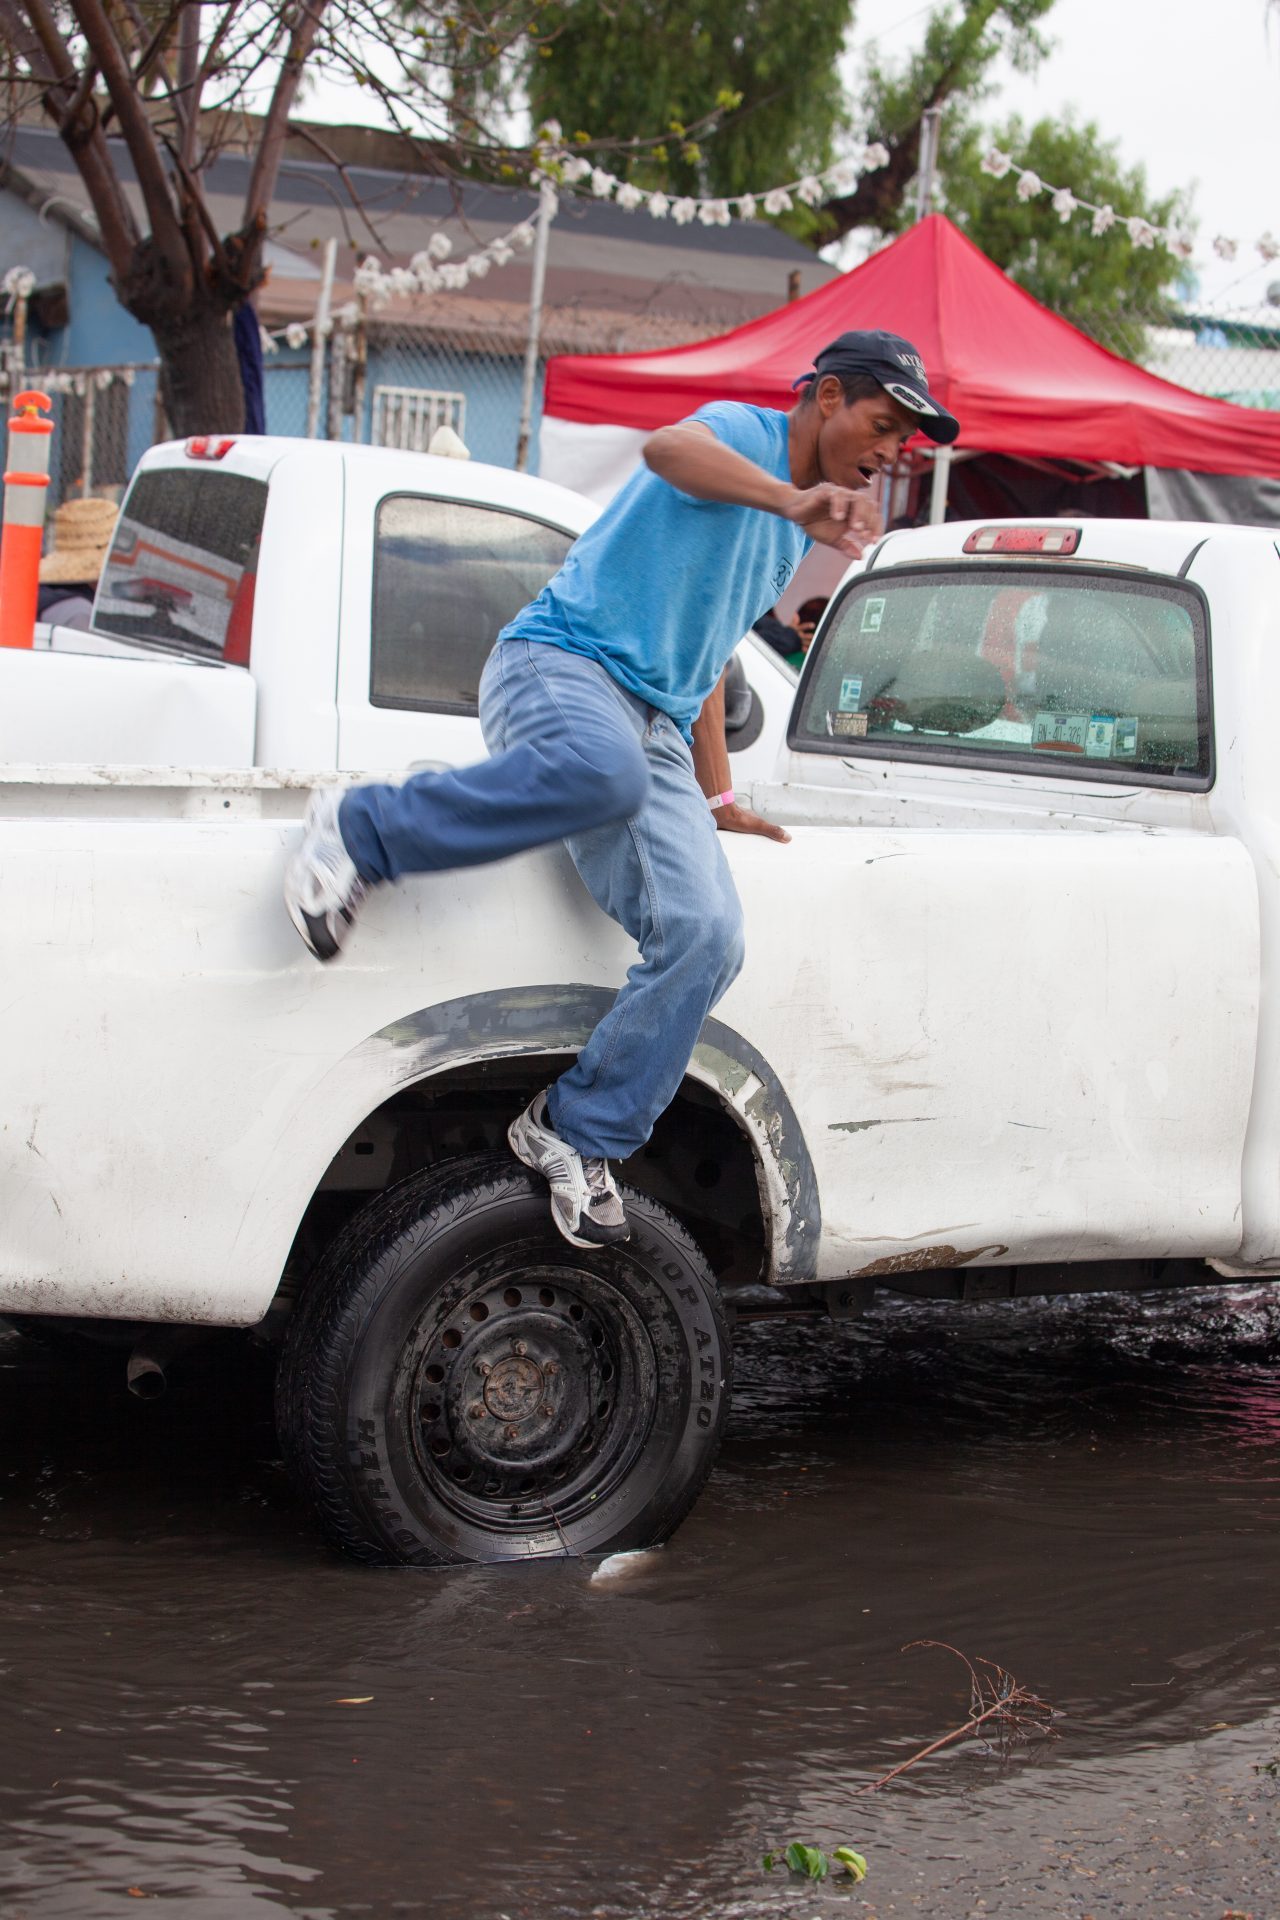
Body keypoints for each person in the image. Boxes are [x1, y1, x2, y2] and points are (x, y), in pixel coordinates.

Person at [284, 328, 960, 1249]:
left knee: (708, 936)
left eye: (906, 444)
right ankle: (360, 829)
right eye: (884, 425)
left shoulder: (783, 535)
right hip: (559, 663)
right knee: (600, 770)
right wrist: (793, 498)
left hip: (655, 726)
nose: (891, 453)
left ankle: (573, 1130)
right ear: (830, 396)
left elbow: (710, 656)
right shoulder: (743, 437)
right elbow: (665, 450)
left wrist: (721, 803)